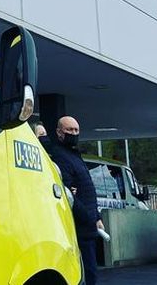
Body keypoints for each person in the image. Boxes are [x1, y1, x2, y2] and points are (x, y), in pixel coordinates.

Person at [52, 116, 105, 285]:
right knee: (85, 274)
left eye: (76, 130)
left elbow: (86, 190)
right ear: (59, 132)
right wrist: (89, 217)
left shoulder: (75, 155)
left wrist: (97, 217)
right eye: (69, 130)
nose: (73, 133)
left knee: (90, 273)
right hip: (79, 227)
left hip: (88, 225)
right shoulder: (60, 155)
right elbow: (68, 194)